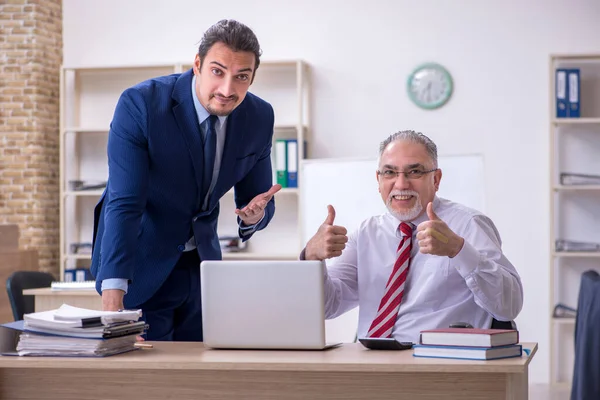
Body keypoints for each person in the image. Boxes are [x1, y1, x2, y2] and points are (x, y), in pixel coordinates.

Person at [90, 19, 281, 341]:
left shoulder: (259, 117)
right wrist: (113, 297)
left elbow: (258, 198)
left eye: (241, 77)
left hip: (203, 270)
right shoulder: (142, 105)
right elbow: (125, 201)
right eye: (217, 71)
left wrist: (256, 215)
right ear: (197, 65)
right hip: (140, 266)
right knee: (145, 384)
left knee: (203, 381)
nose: (227, 89)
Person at [303, 130, 523, 342]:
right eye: (390, 172)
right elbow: (328, 307)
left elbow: (508, 306)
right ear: (378, 181)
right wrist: (312, 258)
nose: (401, 184)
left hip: (441, 364)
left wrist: (459, 250)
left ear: (436, 179)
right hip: (372, 364)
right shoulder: (367, 233)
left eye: (414, 171)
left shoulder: (467, 224)